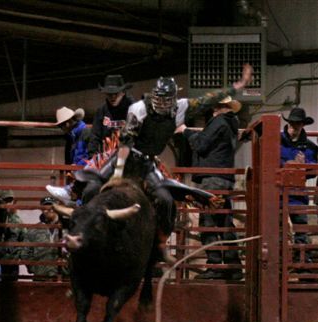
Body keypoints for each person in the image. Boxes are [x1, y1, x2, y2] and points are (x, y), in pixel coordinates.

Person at [75, 64, 253, 254]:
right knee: (91, 185)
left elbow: (208, 100)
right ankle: (80, 224)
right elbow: (127, 140)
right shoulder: (139, 108)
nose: (162, 102)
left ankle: (160, 242)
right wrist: (118, 171)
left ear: (173, 98)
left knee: (166, 200)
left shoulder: (182, 107)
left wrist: (238, 85)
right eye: (160, 98)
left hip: (147, 162)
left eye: (167, 99)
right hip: (127, 157)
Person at [177, 96, 244, 280]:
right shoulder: (230, 123)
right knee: (224, 223)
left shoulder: (219, 122)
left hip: (213, 179)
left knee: (209, 222)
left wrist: (186, 131)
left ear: (218, 106)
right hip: (222, 178)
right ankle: (233, 266)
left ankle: (215, 266)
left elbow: (200, 144)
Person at [47, 75, 134, 204]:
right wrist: (95, 157)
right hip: (108, 156)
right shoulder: (102, 111)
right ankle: (74, 192)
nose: (113, 97)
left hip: (131, 153)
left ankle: (72, 189)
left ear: (123, 92)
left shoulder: (134, 108)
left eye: (116, 93)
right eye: (109, 94)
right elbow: (95, 136)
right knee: (90, 190)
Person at [280, 107, 317, 273]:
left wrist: (303, 167)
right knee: (278, 229)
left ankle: (301, 265)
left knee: (300, 228)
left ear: (302, 125)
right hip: (279, 193)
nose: (294, 127)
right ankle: (280, 263)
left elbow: (313, 171)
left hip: (297, 193)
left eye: (297, 124)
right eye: (292, 124)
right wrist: (293, 165)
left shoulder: (310, 147)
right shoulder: (276, 142)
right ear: (288, 124)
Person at [21, 196, 68, 280]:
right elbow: (25, 253)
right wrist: (36, 269)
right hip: (41, 278)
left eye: (51, 206)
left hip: (63, 278)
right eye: (45, 207)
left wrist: (68, 267)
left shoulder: (68, 228)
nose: (48, 209)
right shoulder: (33, 230)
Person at [0, 190, 26, 281]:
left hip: (11, 261)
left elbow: (24, 238)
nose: (8, 204)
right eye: (5, 201)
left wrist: (19, 255)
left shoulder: (16, 220)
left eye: (10, 201)